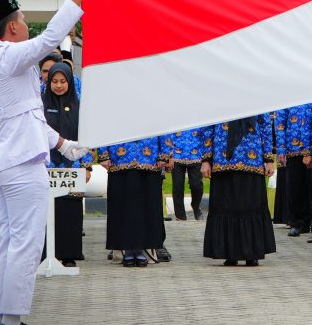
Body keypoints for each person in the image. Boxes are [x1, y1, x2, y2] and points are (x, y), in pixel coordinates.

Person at [0, 0, 94, 325]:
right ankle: (12, 322)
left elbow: (27, 118)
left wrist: (64, 145)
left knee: (9, 241)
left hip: (4, 161)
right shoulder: (9, 56)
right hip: (20, 164)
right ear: (12, 27)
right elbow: (50, 38)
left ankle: (3, 320)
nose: (27, 25)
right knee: (25, 242)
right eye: (24, 19)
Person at [202, 116, 277, 266]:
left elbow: (265, 126)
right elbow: (207, 126)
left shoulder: (257, 101)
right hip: (223, 160)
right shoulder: (216, 101)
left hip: (251, 159)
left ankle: (252, 253)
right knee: (226, 206)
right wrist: (206, 159)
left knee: (250, 206)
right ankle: (229, 252)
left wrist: (269, 159)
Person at [40, 62, 91, 267]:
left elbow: (87, 139)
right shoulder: (40, 106)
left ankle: (69, 254)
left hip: (73, 165)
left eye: (63, 81)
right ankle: (46, 254)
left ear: (70, 82)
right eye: (55, 81)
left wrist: (86, 166)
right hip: (46, 165)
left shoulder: (80, 107)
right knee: (46, 209)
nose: (59, 85)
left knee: (69, 209)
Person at [100, 135, 167, 267]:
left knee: (147, 207)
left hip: (150, 158)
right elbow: (104, 125)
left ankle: (142, 249)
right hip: (119, 158)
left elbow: (164, 126)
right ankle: (128, 250)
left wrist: (164, 155)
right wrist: (103, 154)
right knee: (123, 207)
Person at [276, 103, 312, 237]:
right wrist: (281, 149)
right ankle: (296, 222)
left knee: (311, 188)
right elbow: (280, 123)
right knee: (294, 188)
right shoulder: (287, 97)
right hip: (293, 150)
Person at [161, 126, 213, 221]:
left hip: (197, 156)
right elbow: (168, 134)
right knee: (177, 188)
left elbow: (206, 134)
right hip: (176, 157)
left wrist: (206, 158)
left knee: (197, 186)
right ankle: (180, 216)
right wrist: (170, 156)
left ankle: (195, 206)